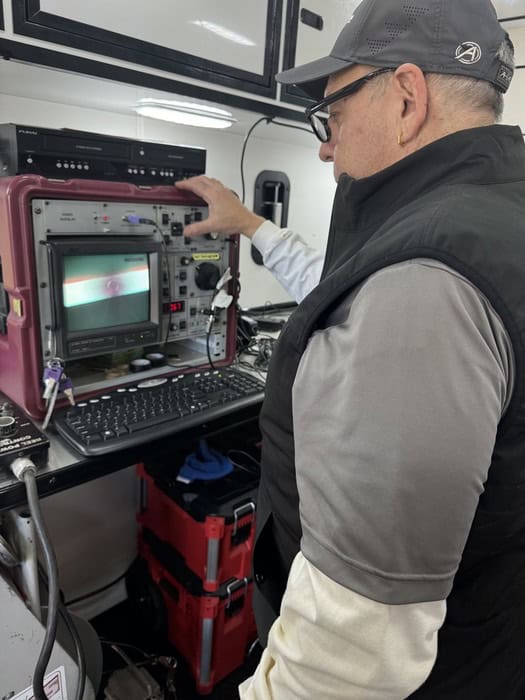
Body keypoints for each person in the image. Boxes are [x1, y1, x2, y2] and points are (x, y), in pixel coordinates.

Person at [176, 0, 525, 697]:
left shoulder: (422, 285)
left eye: (330, 114)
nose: (324, 147)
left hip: (441, 669)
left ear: (405, 96)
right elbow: (347, 289)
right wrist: (253, 225)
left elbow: (352, 653)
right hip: (491, 623)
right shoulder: (486, 212)